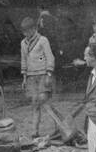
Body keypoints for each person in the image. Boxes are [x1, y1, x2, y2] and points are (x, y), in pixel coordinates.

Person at [18, 15, 67, 143]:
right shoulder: (23, 43)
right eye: (24, 32)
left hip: (43, 75)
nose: (26, 34)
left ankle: (60, 126)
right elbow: (24, 60)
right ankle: (34, 131)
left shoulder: (42, 40)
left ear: (34, 28)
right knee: (35, 104)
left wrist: (49, 74)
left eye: (28, 31)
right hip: (31, 77)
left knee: (44, 102)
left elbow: (50, 57)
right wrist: (24, 77)